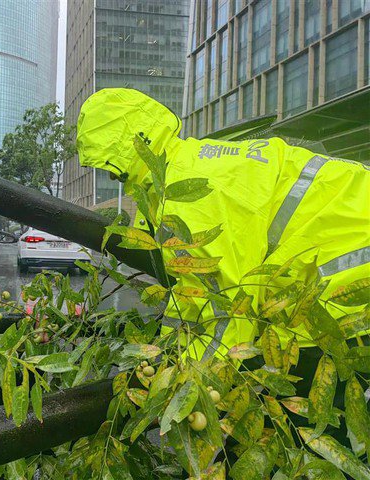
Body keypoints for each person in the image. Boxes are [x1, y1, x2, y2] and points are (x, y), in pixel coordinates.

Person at [76, 88, 369, 444]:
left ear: (128, 157)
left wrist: (186, 383)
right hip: (337, 266)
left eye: (113, 171)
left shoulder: (188, 198)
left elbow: (224, 313)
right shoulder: (195, 165)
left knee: (315, 431)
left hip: (347, 288)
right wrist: (170, 351)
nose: (114, 180)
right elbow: (195, 298)